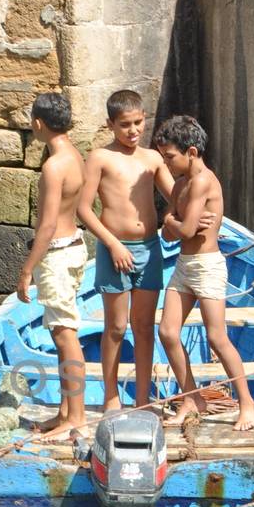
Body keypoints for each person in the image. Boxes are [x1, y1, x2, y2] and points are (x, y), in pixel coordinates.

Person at [154, 115, 254, 433]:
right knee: (168, 333)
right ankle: (192, 398)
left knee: (217, 337)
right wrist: (174, 222)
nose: (166, 164)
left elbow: (182, 228)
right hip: (185, 267)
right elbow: (170, 227)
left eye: (170, 156)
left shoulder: (202, 182)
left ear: (192, 153)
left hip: (207, 267)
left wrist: (175, 223)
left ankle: (247, 403)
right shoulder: (183, 183)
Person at [78, 89, 170, 412]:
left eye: (138, 122)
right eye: (125, 125)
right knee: (116, 326)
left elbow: (176, 197)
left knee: (144, 326)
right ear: (110, 125)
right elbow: (84, 209)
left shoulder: (153, 159)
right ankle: (111, 395)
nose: (133, 131)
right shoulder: (100, 158)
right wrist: (112, 243)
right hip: (114, 251)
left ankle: (143, 397)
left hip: (149, 249)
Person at [16, 92, 87, 441]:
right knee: (64, 334)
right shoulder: (75, 156)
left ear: (39, 123)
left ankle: (76, 418)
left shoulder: (53, 166)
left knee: (64, 336)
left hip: (57, 254)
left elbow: (45, 227)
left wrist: (27, 269)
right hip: (75, 247)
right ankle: (64, 413)